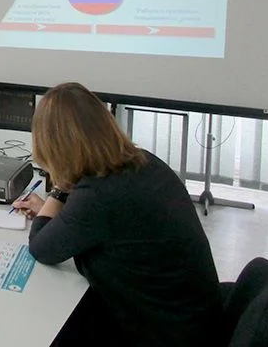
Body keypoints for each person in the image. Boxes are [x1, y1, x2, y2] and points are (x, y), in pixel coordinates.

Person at [13, 82, 223, 347]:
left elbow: (41, 248)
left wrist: (58, 190)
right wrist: (60, 209)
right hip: (191, 320)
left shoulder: (99, 195)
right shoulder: (142, 162)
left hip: (163, 334)